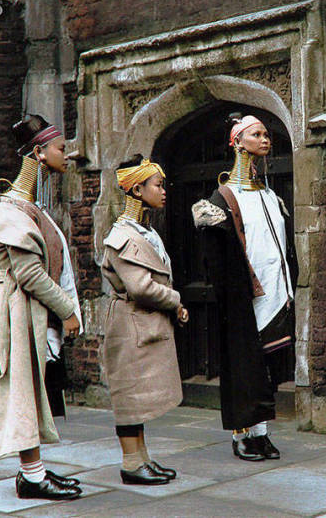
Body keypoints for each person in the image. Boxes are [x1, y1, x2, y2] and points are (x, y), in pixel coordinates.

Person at [0, 114, 83, 501]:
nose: (67, 155)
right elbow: (30, 274)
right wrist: (69, 310)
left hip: (30, 310)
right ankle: (32, 476)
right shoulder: (10, 211)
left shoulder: (30, 208)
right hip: (17, 311)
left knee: (34, 389)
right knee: (24, 390)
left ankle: (34, 471)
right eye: (60, 149)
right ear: (39, 153)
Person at [192, 113, 297, 460]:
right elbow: (215, 256)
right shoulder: (222, 197)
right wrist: (233, 294)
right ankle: (242, 434)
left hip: (276, 292)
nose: (265, 140)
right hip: (244, 296)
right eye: (257, 134)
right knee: (243, 365)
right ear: (238, 142)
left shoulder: (268, 194)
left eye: (267, 134)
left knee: (265, 367)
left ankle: (261, 432)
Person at [101, 156, 189, 485]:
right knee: (129, 397)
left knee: (138, 396)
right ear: (137, 189)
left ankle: (142, 458)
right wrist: (176, 301)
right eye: (158, 185)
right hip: (130, 323)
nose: (164, 191)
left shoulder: (145, 231)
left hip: (143, 323)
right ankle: (130, 463)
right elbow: (141, 287)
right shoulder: (123, 236)